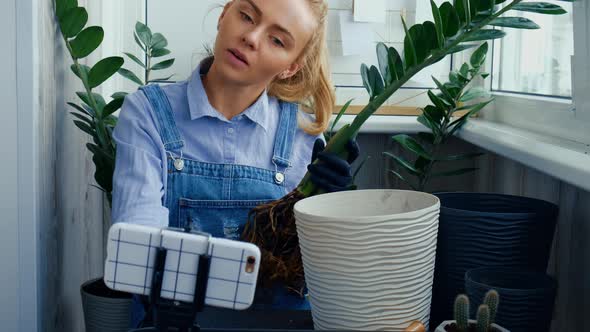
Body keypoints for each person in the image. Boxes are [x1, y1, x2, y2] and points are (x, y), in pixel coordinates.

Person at [111, 0, 359, 328]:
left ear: (291, 66)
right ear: (225, 13)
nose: (251, 38)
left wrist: (330, 216)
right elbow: (138, 251)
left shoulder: (305, 138)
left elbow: (321, 276)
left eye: (277, 40)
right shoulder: (148, 113)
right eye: (246, 16)